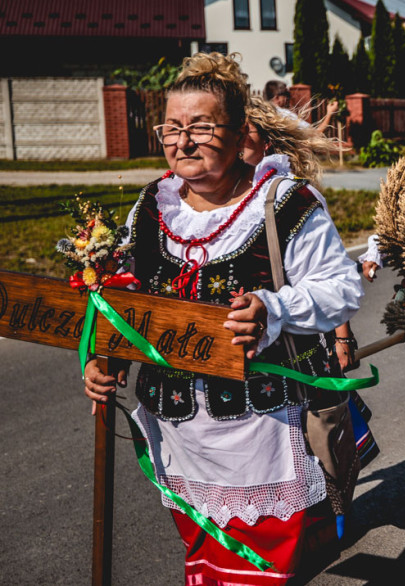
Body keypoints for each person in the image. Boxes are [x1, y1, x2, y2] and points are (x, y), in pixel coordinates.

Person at [83, 53, 364, 584]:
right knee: (204, 568)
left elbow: (343, 289)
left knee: (258, 575)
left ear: (239, 135)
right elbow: (126, 302)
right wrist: (104, 361)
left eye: (201, 128)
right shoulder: (150, 208)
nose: (183, 141)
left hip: (259, 436)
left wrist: (273, 309)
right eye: (172, 127)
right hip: (178, 438)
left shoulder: (285, 204)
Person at [243, 95, 380, 468]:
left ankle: (332, 513)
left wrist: (342, 337)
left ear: (267, 142)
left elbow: (328, 279)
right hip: (240, 371)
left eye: (245, 130)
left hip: (296, 352)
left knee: (321, 448)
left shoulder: (292, 197)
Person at [264, 79, 339, 136]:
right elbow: (315, 134)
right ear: (277, 97)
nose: (288, 97)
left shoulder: (263, 115)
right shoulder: (284, 114)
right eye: (286, 94)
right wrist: (330, 113)